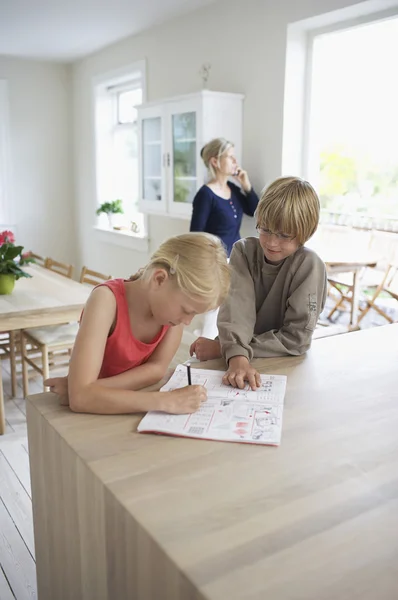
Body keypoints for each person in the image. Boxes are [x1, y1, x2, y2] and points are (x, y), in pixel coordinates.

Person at [45, 232, 230, 415]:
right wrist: (166, 401)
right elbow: (81, 400)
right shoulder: (105, 301)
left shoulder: (171, 319)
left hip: (124, 411)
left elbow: (156, 371)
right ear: (159, 279)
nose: (187, 321)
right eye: (187, 310)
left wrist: (87, 391)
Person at [190, 176, 328, 390]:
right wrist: (236, 356)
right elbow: (237, 312)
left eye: (284, 235)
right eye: (265, 229)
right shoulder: (243, 251)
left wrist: (225, 349)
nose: (272, 242)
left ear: (307, 232)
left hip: (282, 362)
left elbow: (296, 340)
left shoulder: (309, 265)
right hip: (234, 355)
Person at [190, 137, 259, 257]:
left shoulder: (232, 188)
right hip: (216, 263)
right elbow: (195, 237)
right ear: (215, 162)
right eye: (230, 156)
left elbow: (255, 212)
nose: (235, 160)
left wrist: (247, 187)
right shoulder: (205, 195)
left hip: (236, 259)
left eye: (234, 156)